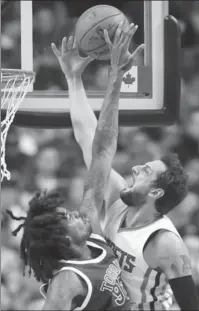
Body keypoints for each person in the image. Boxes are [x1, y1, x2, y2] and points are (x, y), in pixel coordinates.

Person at [53, 26, 199, 311]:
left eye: (145, 171)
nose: (135, 168)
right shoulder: (118, 202)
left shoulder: (165, 244)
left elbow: (191, 306)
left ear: (156, 192)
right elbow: (91, 141)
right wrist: (73, 79)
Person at [7, 22, 141, 311]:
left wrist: (115, 78)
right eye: (65, 217)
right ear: (65, 239)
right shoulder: (66, 284)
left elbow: (102, 149)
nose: (73, 212)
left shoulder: (90, 228)